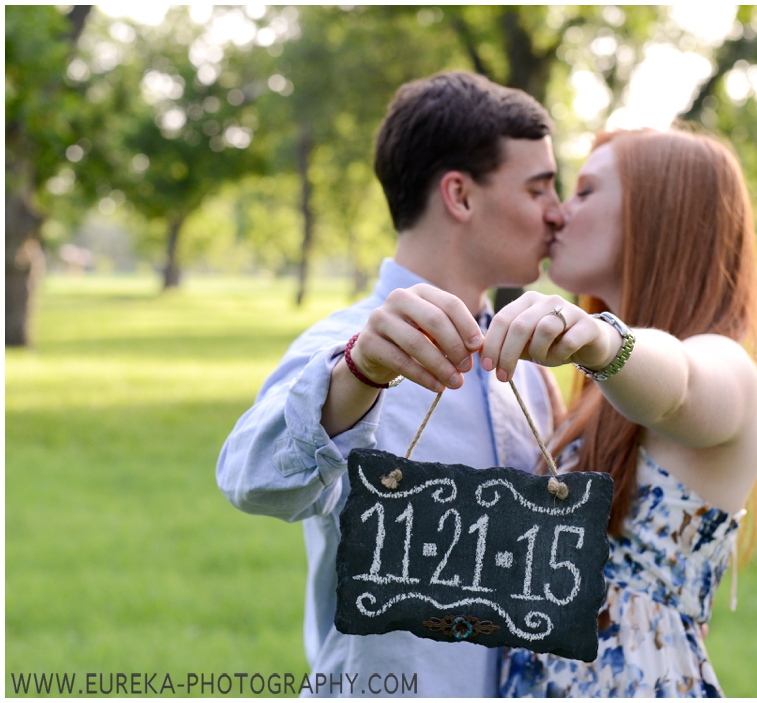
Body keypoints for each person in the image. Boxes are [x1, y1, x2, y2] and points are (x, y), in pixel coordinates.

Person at [216, 71, 567, 697]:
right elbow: (250, 477)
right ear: (459, 195)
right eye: (540, 188)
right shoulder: (343, 349)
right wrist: (358, 373)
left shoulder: (534, 372)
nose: (557, 212)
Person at [483, 128, 757, 697]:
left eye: (586, 192)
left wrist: (599, 339)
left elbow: (678, 388)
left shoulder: (725, 363)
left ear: (660, 216)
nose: (559, 214)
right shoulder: (595, 395)